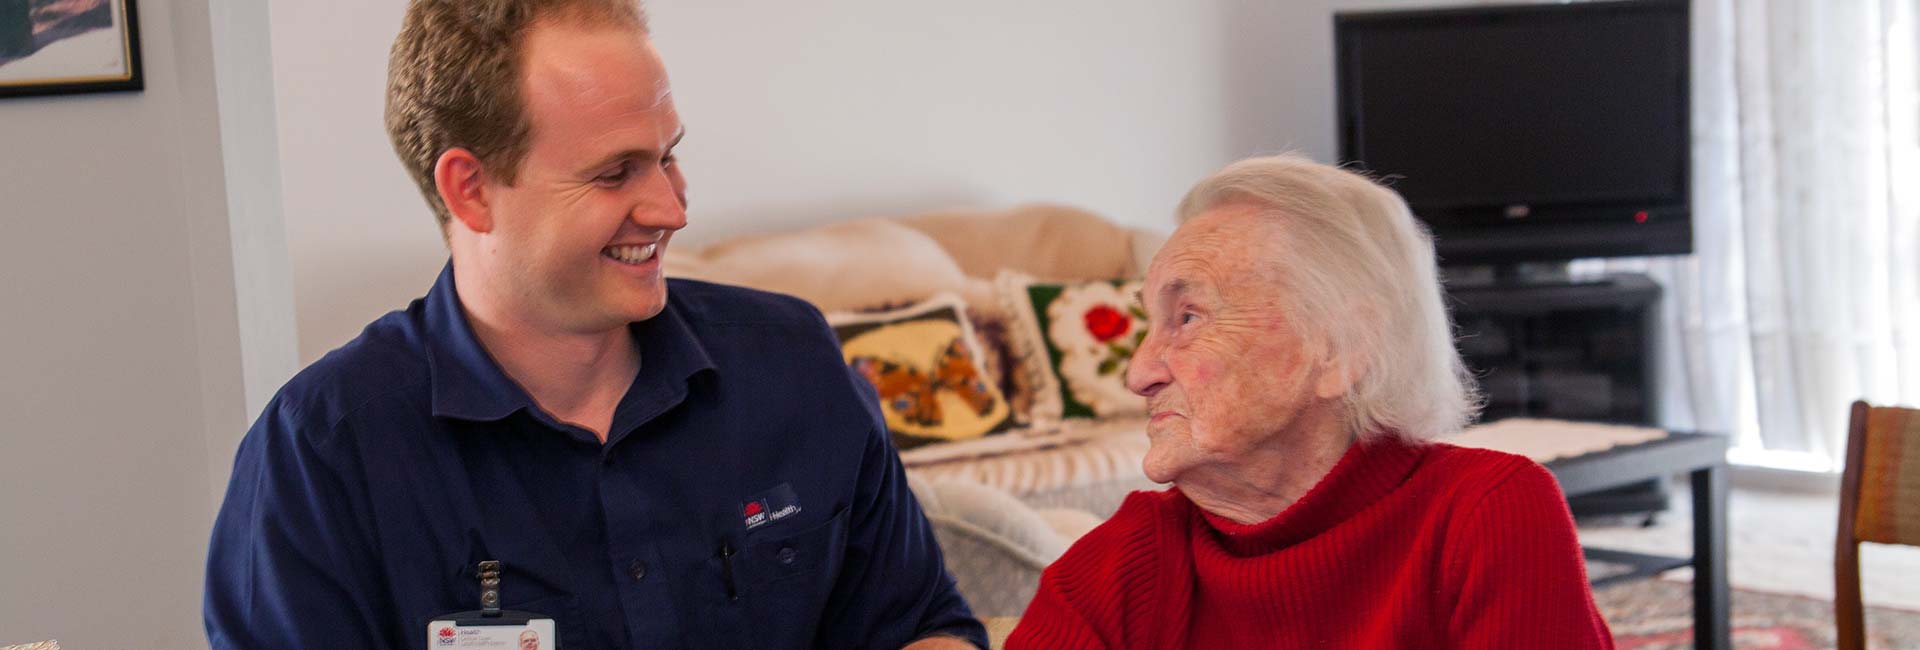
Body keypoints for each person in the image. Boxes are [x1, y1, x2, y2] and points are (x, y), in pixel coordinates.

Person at [202, 1, 984, 648]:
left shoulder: (793, 363)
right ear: (471, 189)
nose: (673, 210)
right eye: (616, 173)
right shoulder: (322, 454)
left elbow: (920, 626)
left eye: (668, 156)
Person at [1006, 155, 1614, 648]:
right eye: (1150, 325)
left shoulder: (1484, 514)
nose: (1139, 372)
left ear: (1341, 349)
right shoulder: (1128, 558)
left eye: (1188, 317)